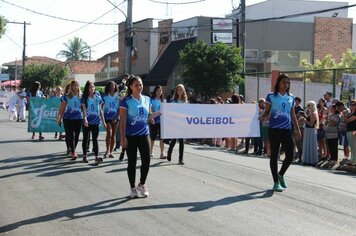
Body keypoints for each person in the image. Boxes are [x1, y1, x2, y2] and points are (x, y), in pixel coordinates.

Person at [261, 74, 301, 192]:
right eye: (283, 82)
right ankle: (275, 182)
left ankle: (281, 174)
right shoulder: (271, 96)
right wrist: (262, 116)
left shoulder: (291, 97)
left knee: (291, 155)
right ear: (278, 83)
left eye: (288, 83)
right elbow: (267, 111)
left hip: (287, 129)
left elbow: (293, 114)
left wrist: (297, 129)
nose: (286, 84)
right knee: (274, 155)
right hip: (274, 129)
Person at [120, 75, 156, 198]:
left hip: (144, 134)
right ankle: (132, 187)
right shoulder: (126, 101)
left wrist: (156, 116)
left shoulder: (147, 99)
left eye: (140, 84)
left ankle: (142, 184)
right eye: (136, 85)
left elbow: (148, 116)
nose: (139, 87)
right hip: (130, 136)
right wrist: (123, 138)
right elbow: (123, 121)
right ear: (130, 86)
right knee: (132, 162)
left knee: (147, 160)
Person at [81, 81, 106, 164]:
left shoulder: (98, 97)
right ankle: (85, 156)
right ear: (87, 88)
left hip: (96, 121)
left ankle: (96, 157)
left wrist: (104, 122)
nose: (92, 88)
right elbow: (84, 110)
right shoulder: (84, 98)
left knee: (95, 139)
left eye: (93, 87)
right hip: (87, 121)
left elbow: (101, 110)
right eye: (90, 87)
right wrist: (85, 119)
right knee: (86, 138)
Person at [57, 80, 83, 160]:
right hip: (68, 118)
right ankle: (73, 152)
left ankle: (72, 149)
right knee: (71, 135)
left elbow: (84, 108)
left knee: (77, 136)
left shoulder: (81, 96)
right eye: (74, 85)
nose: (76, 87)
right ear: (71, 87)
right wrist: (59, 117)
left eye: (77, 85)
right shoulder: (66, 96)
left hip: (78, 118)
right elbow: (62, 108)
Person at [167, 84, 188, 165]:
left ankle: (180, 159)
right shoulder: (173, 100)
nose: (179, 91)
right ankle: (169, 151)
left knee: (182, 140)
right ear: (176, 91)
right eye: (178, 89)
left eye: (181, 89)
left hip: (182, 123)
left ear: (183, 91)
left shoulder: (185, 101)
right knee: (174, 139)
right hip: (175, 122)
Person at [102, 81, 120, 159]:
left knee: (113, 135)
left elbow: (120, 108)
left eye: (113, 85)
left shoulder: (118, 96)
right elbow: (101, 107)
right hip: (107, 117)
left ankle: (111, 152)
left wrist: (116, 117)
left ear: (115, 87)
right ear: (108, 87)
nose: (112, 87)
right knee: (109, 133)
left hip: (115, 117)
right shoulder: (105, 96)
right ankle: (107, 150)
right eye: (110, 86)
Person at [149, 85, 167, 159]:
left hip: (162, 122)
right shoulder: (151, 100)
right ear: (155, 92)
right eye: (157, 91)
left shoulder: (164, 101)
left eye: (160, 91)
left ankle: (162, 153)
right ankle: (151, 150)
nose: (159, 92)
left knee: (162, 138)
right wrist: (151, 116)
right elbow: (150, 110)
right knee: (152, 137)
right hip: (154, 121)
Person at [301, 101, 319, 165]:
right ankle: (307, 159)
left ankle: (311, 160)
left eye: (309, 105)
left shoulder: (313, 113)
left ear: (312, 106)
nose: (308, 107)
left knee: (310, 145)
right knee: (307, 144)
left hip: (310, 130)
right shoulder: (311, 113)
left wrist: (304, 120)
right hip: (308, 130)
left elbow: (311, 124)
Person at [345, 100, 356, 164]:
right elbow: (345, 121)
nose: (351, 106)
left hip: (353, 131)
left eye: (353, 104)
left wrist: (343, 115)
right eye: (351, 104)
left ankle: (354, 160)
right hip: (349, 130)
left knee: (354, 146)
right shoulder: (350, 113)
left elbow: (348, 121)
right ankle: (352, 159)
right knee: (352, 146)